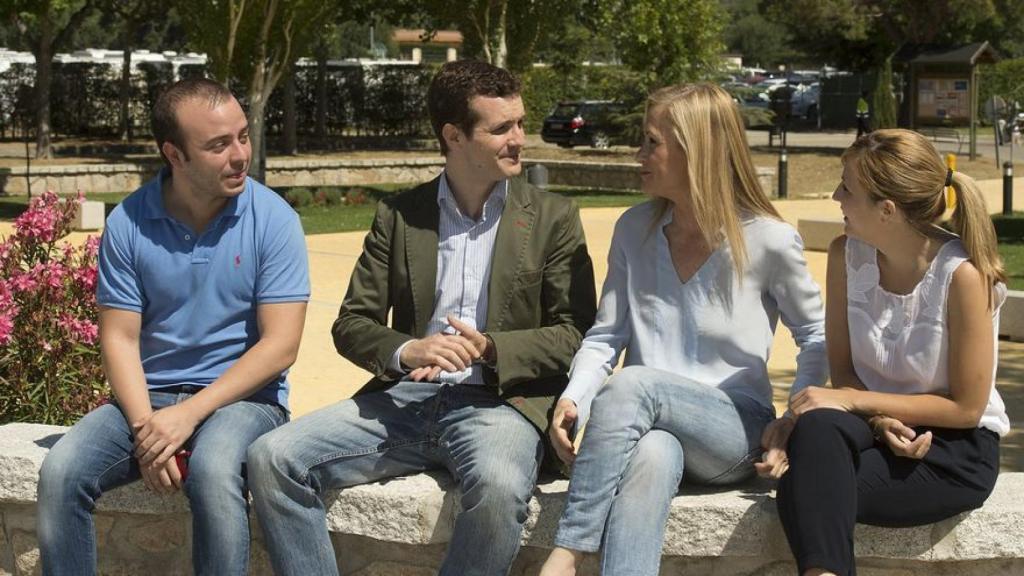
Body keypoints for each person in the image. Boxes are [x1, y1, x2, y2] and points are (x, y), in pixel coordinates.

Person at [246, 60, 597, 576]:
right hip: (404, 400)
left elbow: (576, 333)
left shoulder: (553, 218)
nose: (520, 138)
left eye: (520, 123)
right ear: (454, 136)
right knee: (272, 459)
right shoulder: (399, 214)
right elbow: (352, 323)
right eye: (502, 128)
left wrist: (493, 347)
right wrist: (407, 350)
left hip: (501, 404)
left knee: (499, 491)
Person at [539, 83, 828, 576]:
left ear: (697, 150)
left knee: (634, 381)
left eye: (652, 142)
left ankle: (569, 552)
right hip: (649, 427)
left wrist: (792, 422)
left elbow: (817, 338)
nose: (639, 153)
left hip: (734, 431)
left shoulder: (770, 240)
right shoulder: (634, 229)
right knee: (651, 454)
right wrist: (574, 400)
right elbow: (608, 335)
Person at [36, 78, 310, 575]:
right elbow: (119, 337)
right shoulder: (129, 222)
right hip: (150, 400)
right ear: (174, 154)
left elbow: (281, 346)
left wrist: (188, 417)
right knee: (61, 472)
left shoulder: (275, 220)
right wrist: (148, 432)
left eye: (243, 136)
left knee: (211, 469)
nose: (240, 155)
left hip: (245, 401)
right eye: (218, 144)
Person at [776, 129, 1009, 576]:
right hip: (871, 428)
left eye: (847, 187)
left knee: (804, 487)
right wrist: (879, 420)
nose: (835, 196)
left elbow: (966, 408)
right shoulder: (847, 256)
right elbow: (844, 374)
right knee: (819, 426)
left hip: (950, 451)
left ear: (886, 210)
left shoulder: (963, 276)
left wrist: (854, 402)